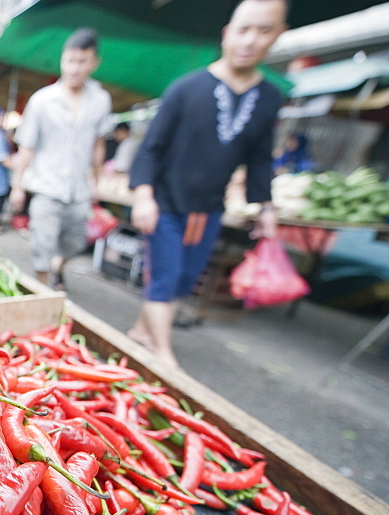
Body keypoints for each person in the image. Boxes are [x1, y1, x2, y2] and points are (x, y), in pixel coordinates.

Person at [126, 0, 286, 370]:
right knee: (165, 276)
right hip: (165, 201)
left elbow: (261, 158)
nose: (250, 40)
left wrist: (265, 206)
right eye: (243, 29)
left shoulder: (269, 98)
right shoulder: (186, 88)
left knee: (184, 278)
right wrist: (144, 195)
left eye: (263, 30)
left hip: (210, 207)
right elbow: (151, 147)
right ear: (227, 34)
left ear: (278, 35)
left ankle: (139, 331)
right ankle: (163, 357)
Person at [9, 28, 113, 288]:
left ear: (94, 62)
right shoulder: (42, 101)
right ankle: (44, 292)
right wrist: (17, 186)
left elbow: (98, 144)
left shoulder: (101, 100)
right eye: (70, 61)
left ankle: (57, 266)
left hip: (78, 190)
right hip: (46, 186)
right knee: (41, 244)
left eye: (82, 62)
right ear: (62, 60)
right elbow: (27, 146)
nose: (75, 69)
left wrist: (96, 182)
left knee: (77, 240)